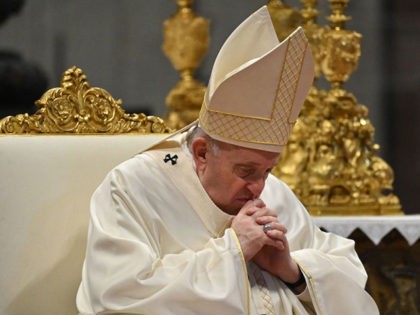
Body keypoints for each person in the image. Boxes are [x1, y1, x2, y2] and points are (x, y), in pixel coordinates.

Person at [76, 6, 379, 315]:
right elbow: (118, 297)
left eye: (268, 169)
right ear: (202, 153)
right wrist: (234, 250)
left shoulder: (273, 192)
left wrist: (292, 270)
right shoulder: (133, 188)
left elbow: (348, 274)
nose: (259, 187)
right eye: (246, 170)